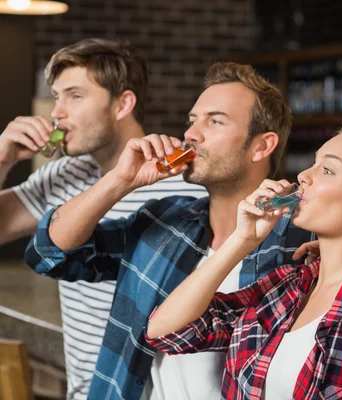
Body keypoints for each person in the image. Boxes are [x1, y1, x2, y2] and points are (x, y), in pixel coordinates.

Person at [24, 61, 315, 400]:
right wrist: (120, 181)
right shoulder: (164, 218)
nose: (191, 134)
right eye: (192, 120)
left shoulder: (302, 242)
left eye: (215, 121)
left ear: (261, 146)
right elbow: (49, 255)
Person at [145, 121, 342, 399]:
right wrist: (241, 241)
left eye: (328, 170)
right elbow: (167, 332)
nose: (304, 176)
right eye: (314, 163)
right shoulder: (286, 286)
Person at [0, 38, 207, 399]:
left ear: (123, 104)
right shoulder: (62, 173)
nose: (57, 112)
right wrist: (2, 158)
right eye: (56, 95)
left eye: (75, 96)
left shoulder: (182, 185)